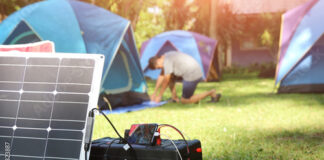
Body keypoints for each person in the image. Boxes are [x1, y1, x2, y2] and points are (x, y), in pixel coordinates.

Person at [148, 51, 221, 104]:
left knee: (184, 100)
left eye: (158, 67)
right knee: (171, 78)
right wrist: (154, 93)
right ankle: (174, 98)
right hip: (192, 71)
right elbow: (161, 76)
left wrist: (159, 96)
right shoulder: (166, 56)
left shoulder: (167, 61)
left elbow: (166, 80)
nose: (160, 68)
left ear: (158, 61)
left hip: (192, 74)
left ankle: (211, 93)